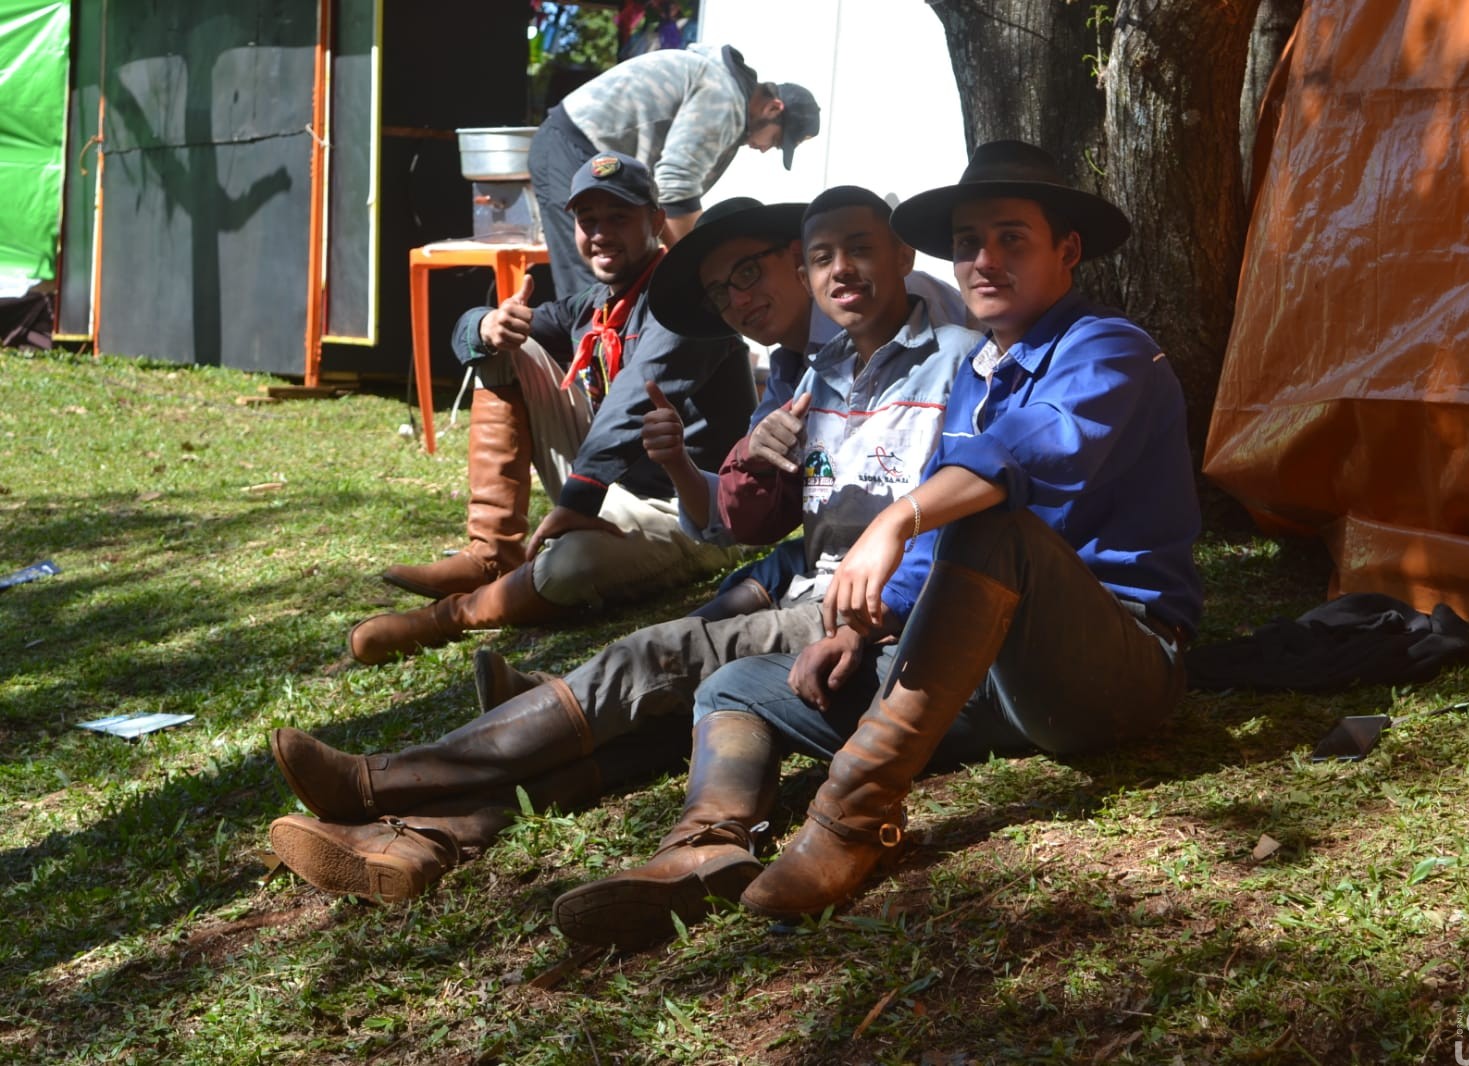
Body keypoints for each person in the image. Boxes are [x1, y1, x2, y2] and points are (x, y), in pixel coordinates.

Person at [550, 140, 1204, 949]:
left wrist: (897, 520)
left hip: (1117, 669)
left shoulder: (1108, 347)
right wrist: (866, 623)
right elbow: (940, 548)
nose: (984, 259)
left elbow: (1037, 455)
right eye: (968, 242)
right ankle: (705, 848)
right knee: (739, 684)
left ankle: (852, 821)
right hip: (996, 679)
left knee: (994, 523)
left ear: (1065, 250)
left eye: (1012, 238)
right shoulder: (981, 372)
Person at [266, 186, 983, 904]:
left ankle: (384, 783)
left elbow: (958, 510)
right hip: (817, 586)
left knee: (658, 661)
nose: (738, 301)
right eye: (823, 257)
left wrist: (864, 614)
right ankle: (429, 836)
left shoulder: (948, 354)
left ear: (895, 256)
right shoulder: (812, 372)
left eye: (748, 275)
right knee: (667, 703)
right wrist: (735, 461)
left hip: (867, 607)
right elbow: (756, 513)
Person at [471, 195, 974, 710]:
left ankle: (548, 697)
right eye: (719, 293)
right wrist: (685, 463)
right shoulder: (792, 368)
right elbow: (741, 511)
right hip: (826, 557)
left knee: (713, 639)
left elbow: (963, 483)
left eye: (749, 273)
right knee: (723, 607)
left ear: (796, 262)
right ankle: (538, 675)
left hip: (900, 576)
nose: (738, 300)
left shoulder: (929, 330)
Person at [352, 153, 754, 666]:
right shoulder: (592, 305)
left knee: (569, 567)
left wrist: (579, 494)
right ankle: (491, 553)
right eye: (589, 221)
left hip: (690, 508)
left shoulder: (687, 299)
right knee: (508, 346)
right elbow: (476, 336)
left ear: (655, 222)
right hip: (611, 487)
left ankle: (447, 618)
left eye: (619, 218)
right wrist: (485, 326)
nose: (601, 233)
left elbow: (636, 391)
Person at [529, 43, 820, 299]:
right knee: (594, 282)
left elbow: (667, 192)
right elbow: (676, 191)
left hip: (596, 157)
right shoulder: (725, 98)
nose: (767, 149)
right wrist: (703, 272)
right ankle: (584, 357)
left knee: (627, 276)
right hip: (572, 147)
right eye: (777, 141)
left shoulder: (723, 92)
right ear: (773, 108)